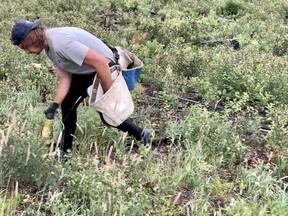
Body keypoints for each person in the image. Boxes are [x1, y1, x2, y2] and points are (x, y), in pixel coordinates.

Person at [11, 18, 154, 155]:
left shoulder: (60, 43)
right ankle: (64, 152)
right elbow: (65, 78)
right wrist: (54, 105)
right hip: (88, 71)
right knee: (67, 105)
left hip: (105, 69)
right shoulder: (49, 47)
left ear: (31, 39)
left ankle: (143, 134)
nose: (27, 52)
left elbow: (101, 63)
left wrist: (107, 95)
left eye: (25, 47)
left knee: (108, 114)